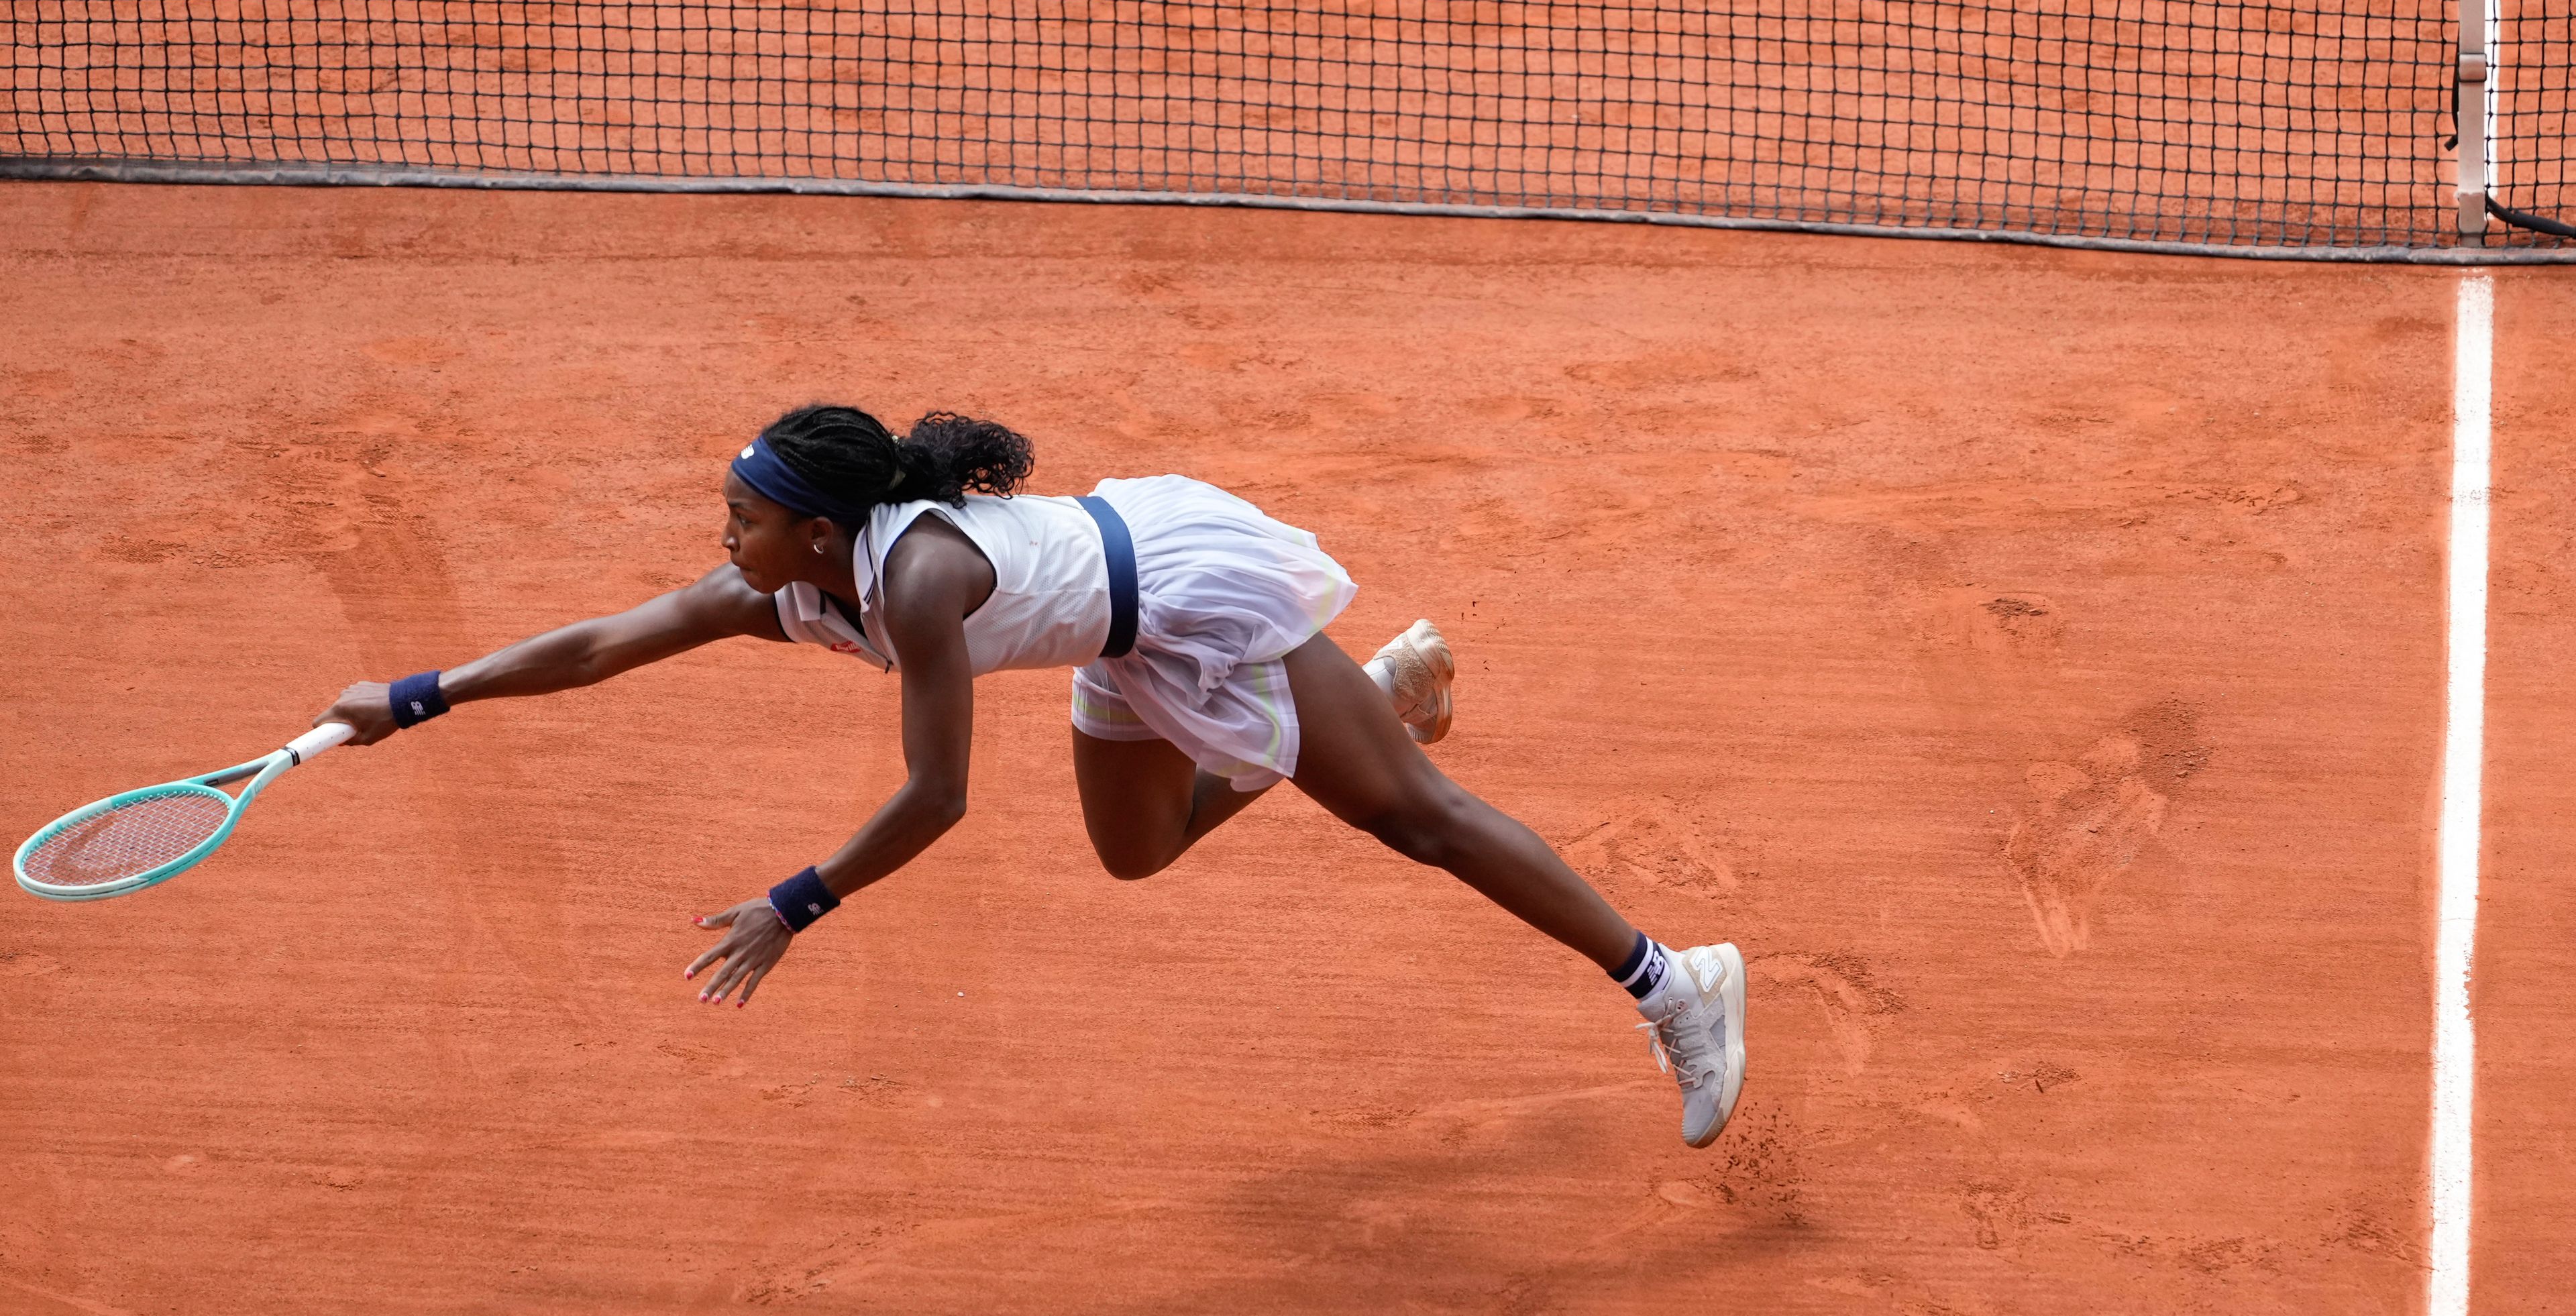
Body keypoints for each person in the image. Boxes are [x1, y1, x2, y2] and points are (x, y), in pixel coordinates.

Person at [318, 403, 1746, 1146]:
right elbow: (600, 646)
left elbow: (937, 799)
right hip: (1113, 641)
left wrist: (795, 902)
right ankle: (1363, 702)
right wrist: (421, 698)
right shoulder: (784, 585)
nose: (724, 538)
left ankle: (1675, 985)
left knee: (1416, 821)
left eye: (743, 519)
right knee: (1138, 852)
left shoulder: (923, 584)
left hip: (1189, 584)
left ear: (820, 536)